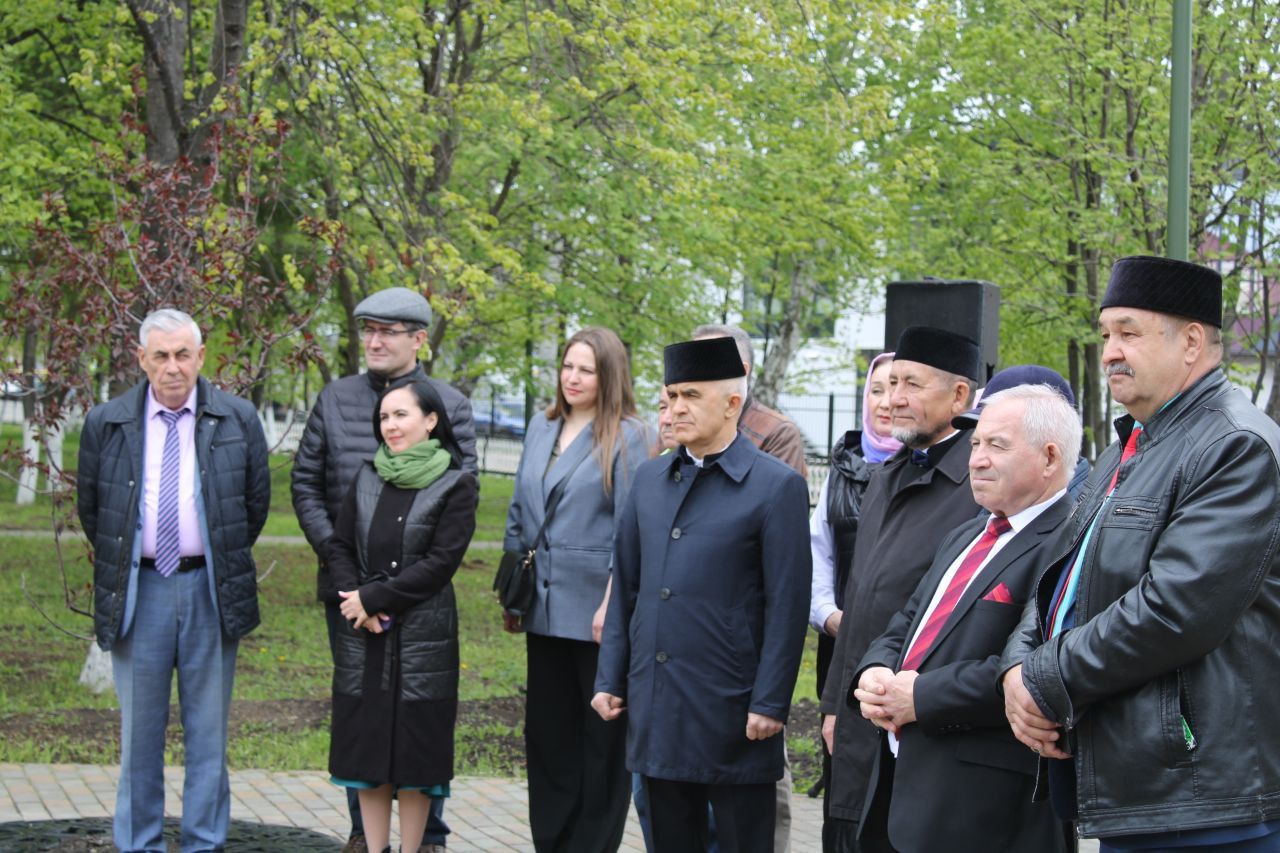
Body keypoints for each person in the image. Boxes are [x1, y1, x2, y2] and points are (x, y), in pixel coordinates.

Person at [1001, 255, 1280, 851]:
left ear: (1192, 342)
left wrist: (1044, 679)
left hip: (1205, 803)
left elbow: (1174, 610)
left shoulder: (1237, 447)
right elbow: (1061, 579)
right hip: (1142, 790)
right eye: (1105, 335)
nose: (1109, 352)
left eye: (1129, 332)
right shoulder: (1129, 448)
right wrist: (1016, 670)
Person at [593, 336, 812, 853]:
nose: (675, 408)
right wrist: (611, 676)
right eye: (670, 396)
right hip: (658, 705)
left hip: (734, 713)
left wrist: (770, 702)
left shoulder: (775, 487)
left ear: (732, 403)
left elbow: (788, 606)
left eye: (691, 395)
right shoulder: (649, 481)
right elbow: (627, 587)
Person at [851, 383, 1077, 853]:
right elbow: (908, 620)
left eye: (997, 445)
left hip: (986, 813)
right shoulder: (969, 533)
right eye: (975, 444)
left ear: (1050, 458)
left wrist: (922, 696)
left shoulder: (1071, 543)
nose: (975, 459)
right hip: (902, 793)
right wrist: (876, 671)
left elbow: (1042, 667)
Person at [76, 308, 269, 851]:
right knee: (140, 736)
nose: (173, 367)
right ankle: (140, 843)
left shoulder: (238, 418)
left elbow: (251, 508)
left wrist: (207, 553)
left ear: (201, 357)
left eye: (183, 354)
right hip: (140, 592)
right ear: (141, 359)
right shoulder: (107, 422)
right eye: (160, 355)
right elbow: (95, 510)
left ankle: (204, 841)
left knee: (208, 732)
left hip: (210, 589)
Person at [292, 286, 475, 853]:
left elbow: (454, 499)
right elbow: (307, 486)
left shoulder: (451, 403)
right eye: (366, 330)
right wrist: (355, 589)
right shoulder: (335, 398)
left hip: (417, 598)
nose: (373, 341)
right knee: (362, 711)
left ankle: (430, 837)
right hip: (348, 592)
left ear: (418, 340)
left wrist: (386, 594)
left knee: (420, 709)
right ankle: (361, 834)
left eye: (387, 332)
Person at [819, 326, 983, 852]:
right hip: (855, 713)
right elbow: (860, 600)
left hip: (922, 725)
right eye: (888, 385)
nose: (891, 401)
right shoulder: (886, 476)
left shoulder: (978, 489)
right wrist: (831, 704)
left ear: (959, 395)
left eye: (910, 385)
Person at [502, 326, 652, 853]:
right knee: (547, 737)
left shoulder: (630, 434)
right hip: (541, 607)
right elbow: (520, 512)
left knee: (599, 742)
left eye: (586, 369)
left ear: (608, 375)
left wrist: (614, 602)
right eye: (568, 366)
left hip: (595, 612)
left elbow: (630, 528)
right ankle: (552, 840)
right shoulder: (541, 428)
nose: (573, 377)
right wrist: (511, 590)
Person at [325, 379, 479, 853]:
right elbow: (339, 545)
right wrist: (357, 600)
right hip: (364, 636)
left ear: (430, 421)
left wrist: (376, 598)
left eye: (400, 415)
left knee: (416, 757)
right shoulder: (368, 475)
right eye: (384, 417)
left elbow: (440, 563)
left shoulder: (457, 482)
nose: (389, 426)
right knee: (368, 754)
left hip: (422, 640)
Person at [693, 323, 808, 850]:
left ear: (743, 374)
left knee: (753, 798)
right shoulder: (673, 426)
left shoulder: (774, 433)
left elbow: (774, 551)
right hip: (685, 639)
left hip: (743, 642)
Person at [807, 353, 900, 801]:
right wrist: (828, 614)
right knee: (843, 768)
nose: (886, 401)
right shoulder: (841, 469)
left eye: (897, 388)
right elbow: (818, 552)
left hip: (902, 646)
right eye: (876, 390)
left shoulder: (929, 469)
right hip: (840, 640)